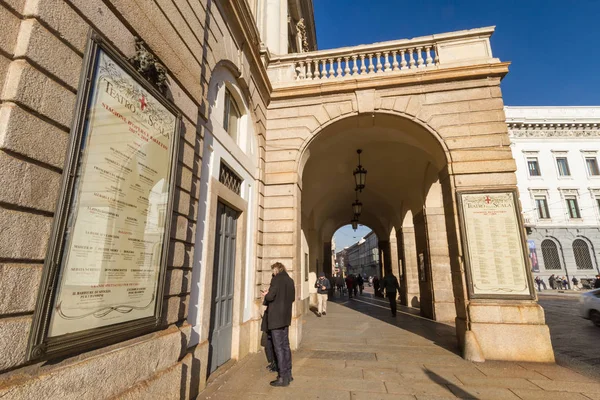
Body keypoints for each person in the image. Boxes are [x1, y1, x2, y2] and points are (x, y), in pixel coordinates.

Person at [261, 262, 295, 387]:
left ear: (276, 269)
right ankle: (289, 374)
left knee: (278, 347)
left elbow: (271, 297)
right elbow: (291, 298)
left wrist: (266, 295)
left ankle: (282, 377)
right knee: (286, 345)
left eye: (272, 271)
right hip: (285, 317)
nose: (272, 273)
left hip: (276, 318)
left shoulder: (276, 280)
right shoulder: (290, 280)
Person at [260, 291, 277, 373]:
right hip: (269, 319)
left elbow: (269, 300)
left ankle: (275, 364)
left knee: (272, 343)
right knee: (268, 343)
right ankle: (272, 362)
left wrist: (267, 296)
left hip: (272, 320)